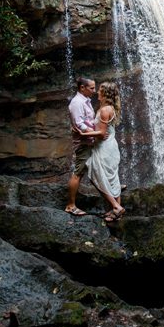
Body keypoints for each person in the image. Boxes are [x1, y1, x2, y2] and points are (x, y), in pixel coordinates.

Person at [79, 81, 126, 222]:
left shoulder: (105, 110)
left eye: (99, 90)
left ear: (105, 93)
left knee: (96, 173)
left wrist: (82, 134)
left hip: (104, 147)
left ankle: (116, 207)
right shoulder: (107, 108)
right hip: (109, 145)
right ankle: (116, 210)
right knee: (111, 177)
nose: (97, 92)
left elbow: (101, 134)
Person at [65, 76, 105, 216]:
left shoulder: (85, 101)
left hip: (89, 141)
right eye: (92, 88)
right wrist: (97, 133)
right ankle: (70, 205)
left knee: (96, 168)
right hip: (83, 143)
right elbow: (80, 125)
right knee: (78, 173)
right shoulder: (77, 103)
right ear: (82, 87)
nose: (94, 91)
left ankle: (113, 189)